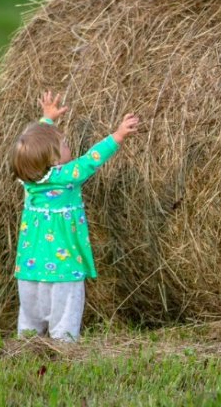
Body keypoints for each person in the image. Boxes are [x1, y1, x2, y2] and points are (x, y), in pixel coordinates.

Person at [12, 91, 139, 341]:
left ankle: (26, 343)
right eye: (65, 145)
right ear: (54, 161)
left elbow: (36, 145)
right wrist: (118, 135)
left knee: (30, 314)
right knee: (66, 312)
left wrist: (47, 119)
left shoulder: (29, 181)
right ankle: (64, 345)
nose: (69, 146)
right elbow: (92, 160)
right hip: (64, 267)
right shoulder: (66, 177)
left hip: (29, 268)